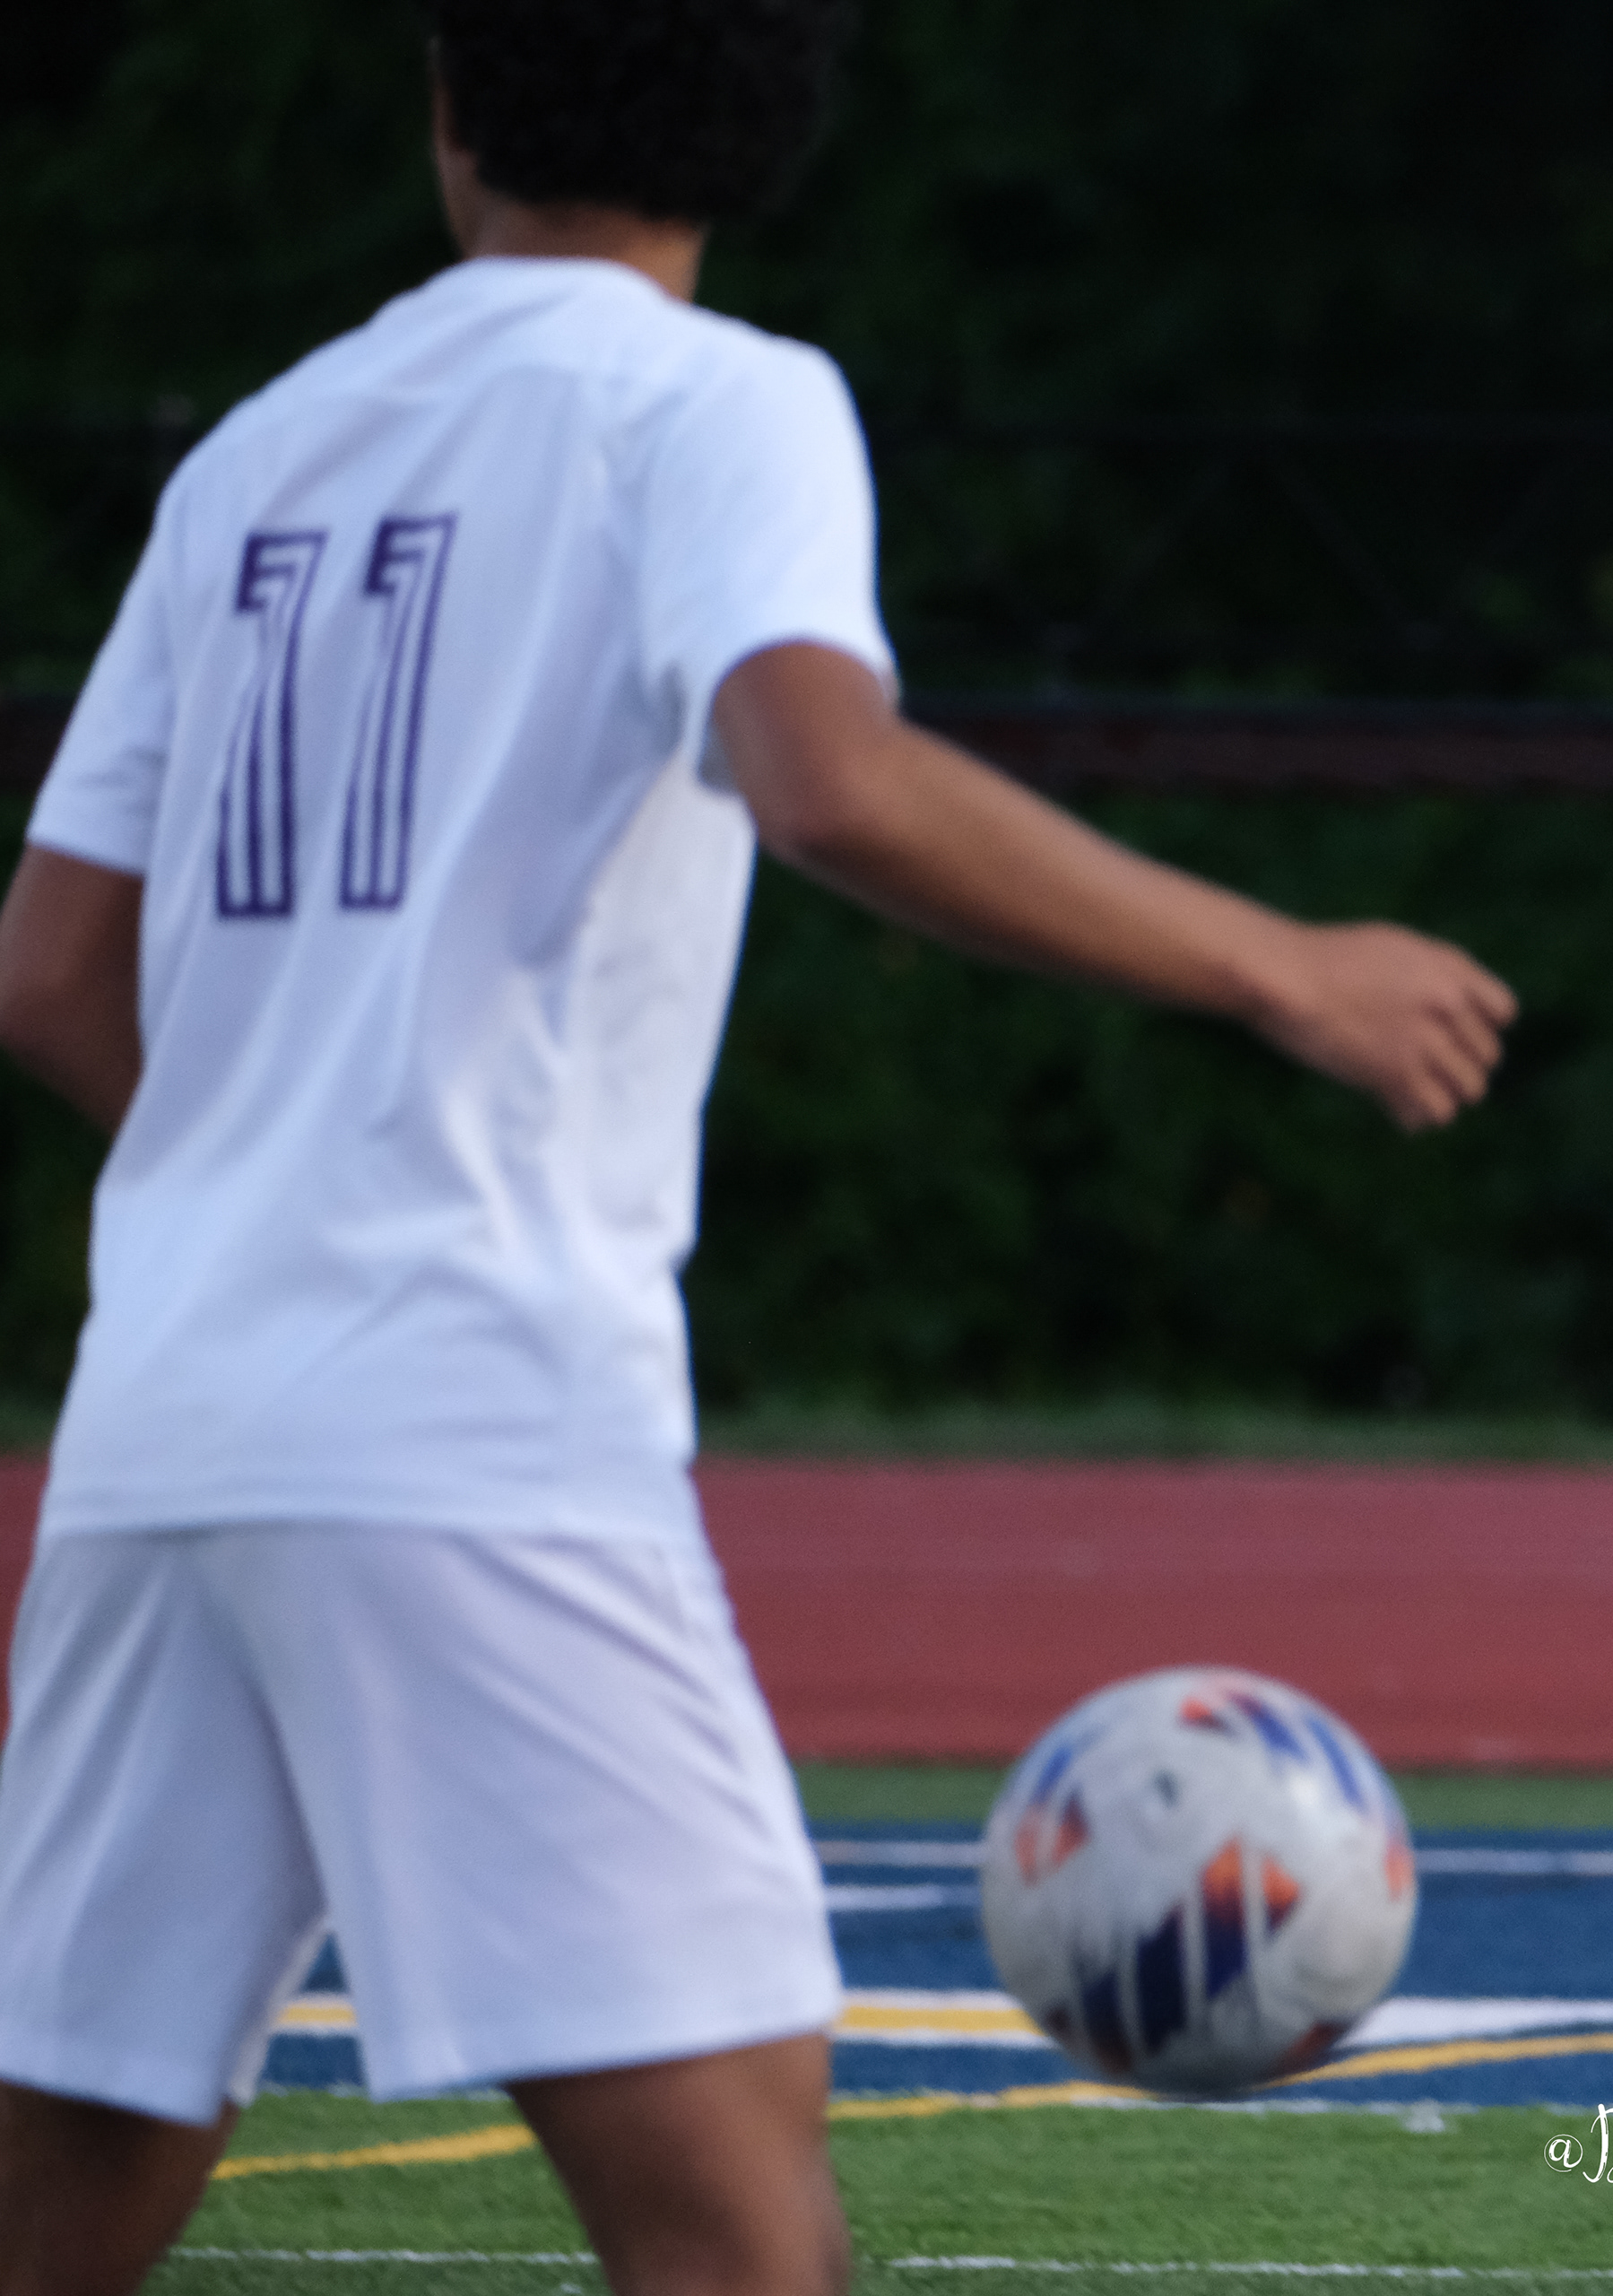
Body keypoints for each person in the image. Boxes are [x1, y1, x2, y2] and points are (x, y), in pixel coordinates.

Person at [0, 5, 1513, 2292]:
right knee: (735, 2221)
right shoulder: (718, 401)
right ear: (771, 132)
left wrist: (279, 1158)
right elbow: (826, 772)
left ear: (452, 110)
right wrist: (1278, 962)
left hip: (157, 1428)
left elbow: (46, 967)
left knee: (62, 2179)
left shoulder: (258, 453)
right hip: (467, 1422)